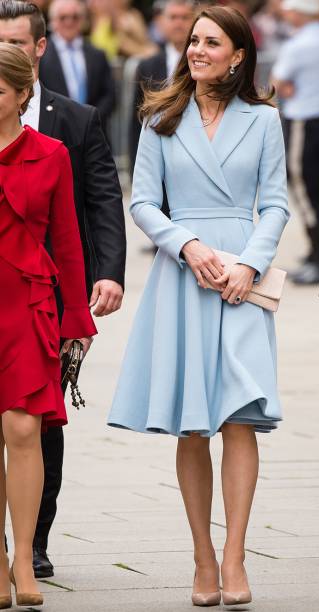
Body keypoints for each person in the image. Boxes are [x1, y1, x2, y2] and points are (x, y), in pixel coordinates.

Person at [108, 5, 288, 606]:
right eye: (193, 41)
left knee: (239, 415)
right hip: (184, 276)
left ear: (238, 55)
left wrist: (249, 263)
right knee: (193, 422)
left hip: (240, 279)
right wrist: (185, 244)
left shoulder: (263, 120)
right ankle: (202, 559)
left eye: (211, 42)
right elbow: (142, 201)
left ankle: (236, 557)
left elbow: (277, 203)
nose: (197, 50)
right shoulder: (161, 115)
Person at [0, 0, 126, 579]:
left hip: (37, 300)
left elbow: (99, 204)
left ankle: (34, 543)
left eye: (17, 42)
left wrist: (106, 276)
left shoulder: (73, 121)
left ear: (39, 47)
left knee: (37, 426)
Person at [0, 42, 96, 607]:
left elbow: (67, 238)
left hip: (29, 302)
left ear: (21, 93)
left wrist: (76, 317)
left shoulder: (53, 153)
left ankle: (24, 559)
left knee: (22, 428)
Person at [271, 0, 319, 285]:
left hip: (304, 122)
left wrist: (289, 90)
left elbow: (278, 83)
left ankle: (318, 257)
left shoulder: (297, 44)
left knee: (307, 194)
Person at [129, 0, 195, 174]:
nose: (179, 23)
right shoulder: (147, 66)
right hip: (157, 157)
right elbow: (138, 118)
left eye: (185, 17)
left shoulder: (204, 62)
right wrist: (133, 168)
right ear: (162, 22)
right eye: (173, 17)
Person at [39, 0, 116, 129]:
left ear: (82, 20)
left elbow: (109, 96)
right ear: (52, 21)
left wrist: (90, 119)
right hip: (55, 131)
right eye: (63, 17)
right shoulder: (41, 55)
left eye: (75, 17)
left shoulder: (97, 54)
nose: (69, 22)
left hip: (94, 131)